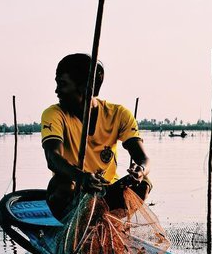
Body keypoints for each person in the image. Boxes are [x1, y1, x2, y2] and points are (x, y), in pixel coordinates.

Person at [41, 53, 151, 220]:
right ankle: (78, 223)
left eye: (62, 84)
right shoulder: (54, 114)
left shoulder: (119, 114)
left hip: (107, 194)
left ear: (85, 87)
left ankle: (103, 221)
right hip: (75, 193)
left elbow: (143, 158)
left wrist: (140, 171)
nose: (56, 91)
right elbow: (52, 157)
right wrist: (82, 178)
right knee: (60, 184)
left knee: (144, 184)